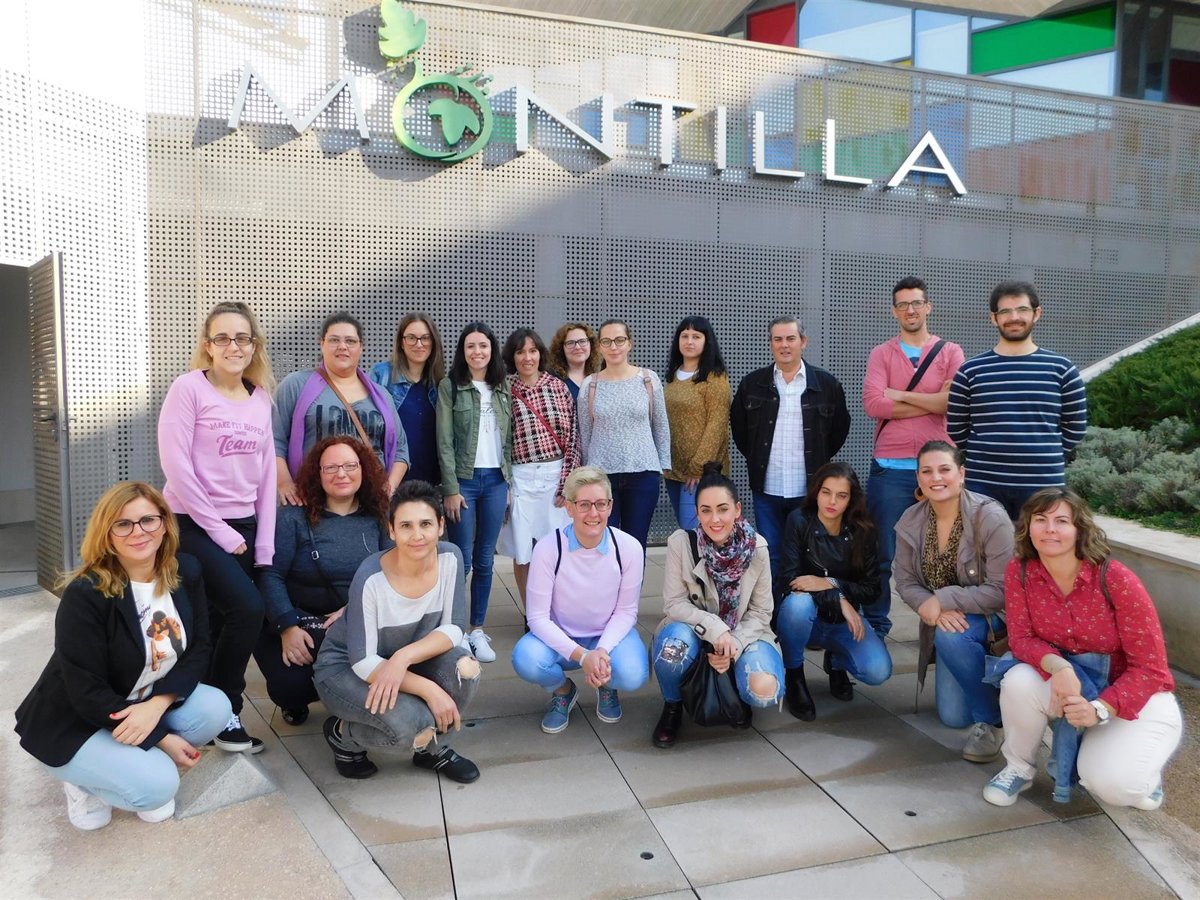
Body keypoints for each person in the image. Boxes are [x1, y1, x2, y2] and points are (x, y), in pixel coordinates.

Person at [15, 482, 231, 830]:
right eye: (123, 524)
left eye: (148, 520)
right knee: (157, 788)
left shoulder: (185, 571)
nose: (138, 532)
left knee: (216, 708)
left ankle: (126, 761)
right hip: (76, 718)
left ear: (165, 523)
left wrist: (157, 704)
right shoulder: (87, 594)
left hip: (142, 697)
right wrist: (161, 738)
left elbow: (200, 648)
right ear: (107, 533)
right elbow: (86, 691)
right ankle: (84, 782)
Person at [983, 489, 1182, 809]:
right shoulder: (1021, 571)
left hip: (1131, 693)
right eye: (1040, 519)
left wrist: (1100, 709)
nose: (1050, 529)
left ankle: (1146, 775)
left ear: (1080, 529)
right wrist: (1059, 667)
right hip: (1073, 684)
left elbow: (1150, 669)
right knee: (1018, 679)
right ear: (1028, 528)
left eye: (1062, 521)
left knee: (1115, 787)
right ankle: (1018, 768)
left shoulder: (1115, 578)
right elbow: (1021, 639)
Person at [157, 301, 276, 754]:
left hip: (243, 526)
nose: (233, 346)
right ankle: (227, 709)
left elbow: (267, 475)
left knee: (221, 618)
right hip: (191, 523)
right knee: (248, 608)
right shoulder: (188, 388)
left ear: (253, 346)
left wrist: (263, 543)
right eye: (222, 338)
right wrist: (221, 531)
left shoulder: (260, 398)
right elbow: (176, 466)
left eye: (242, 338)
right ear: (208, 346)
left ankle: (201, 711)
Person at [313, 480, 481, 782]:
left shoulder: (451, 557)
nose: (417, 535)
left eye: (426, 524)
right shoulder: (370, 577)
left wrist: (403, 658)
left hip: (405, 658)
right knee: (413, 724)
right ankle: (343, 735)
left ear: (441, 526)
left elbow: (455, 626)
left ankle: (431, 750)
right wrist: (430, 690)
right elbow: (364, 661)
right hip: (348, 668)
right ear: (391, 531)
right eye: (406, 526)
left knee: (465, 670)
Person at [255, 437, 392, 727]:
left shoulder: (380, 517)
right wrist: (287, 627)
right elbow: (270, 574)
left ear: (364, 470)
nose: (341, 474)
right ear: (317, 473)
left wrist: (353, 609)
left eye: (350, 466)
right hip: (302, 620)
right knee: (291, 686)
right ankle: (303, 698)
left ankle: (344, 697)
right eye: (330, 467)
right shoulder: (293, 517)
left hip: (358, 619)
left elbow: (392, 575)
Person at [894, 441, 1014, 763]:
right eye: (927, 471)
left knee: (950, 636)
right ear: (918, 478)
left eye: (944, 469)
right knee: (953, 717)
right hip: (950, 620)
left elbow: (1003, 589)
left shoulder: (990, 517)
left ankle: (993, 722)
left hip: (994, 616)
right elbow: (904, 580)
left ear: (961, 474)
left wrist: (943, 599)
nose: (936, 478)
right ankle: (989, 684)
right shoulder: (911, 519)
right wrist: (930, 605)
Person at [651, 462, 783, 748]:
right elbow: (674, 604)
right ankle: (672, 705)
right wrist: (715, 630)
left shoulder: (758, 548)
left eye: (723, 509)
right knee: (671, 651)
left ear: (737, 509)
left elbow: (761, 612)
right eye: (706, 510)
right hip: (694, 631)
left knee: (763, 691)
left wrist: (732, 644)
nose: (715, 519)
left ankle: (733, 685)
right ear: (697, 513)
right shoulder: (681, 543)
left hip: (744, 634)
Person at [511, 466, 649, 734]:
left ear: (610, 506)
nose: (593, 513)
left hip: (607, 638)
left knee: (633, 674)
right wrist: (583, 656)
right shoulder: (548, 548)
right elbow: (537, 618)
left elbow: (626, 612)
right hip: (561, 636)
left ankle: (606, 683)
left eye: (600, 504)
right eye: (584, 504)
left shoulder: (629, 548)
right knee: (525, 658)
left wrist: (601, 652)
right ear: (569, 507)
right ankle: (562, 690)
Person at [862, 277, 964, 637]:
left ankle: (942, 631)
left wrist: (900, 395)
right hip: (890, 470)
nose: (911, 310)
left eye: (917, 303)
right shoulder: (881, 354)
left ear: (928, 307)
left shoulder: (950, 352)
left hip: (939, 471)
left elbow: (953, 402)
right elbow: (874, 404)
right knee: (881, 555)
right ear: (894, 311)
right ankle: (876, 627)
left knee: (945, 554)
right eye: (903, 304)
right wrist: (932, 401)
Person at [730, 316, 850, 600]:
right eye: (778, 339)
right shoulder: (752, 384)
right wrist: (758, 457)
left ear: (803, 342)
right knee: (771, 554)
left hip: (809, 490)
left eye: (790, 338)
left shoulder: (826, 384)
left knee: (809, 555)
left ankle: (804, 612)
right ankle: (774, 615)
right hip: (767, 488)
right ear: (771, 343)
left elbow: (838, 432)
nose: (784, 345)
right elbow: (740, 431)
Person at [947, 281, 1088, 519]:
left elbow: (1075, 428)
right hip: (984, 484)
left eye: (1022, 309)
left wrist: (1043, 454)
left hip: (1043, 486)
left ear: (1037, 313)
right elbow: (956, 428)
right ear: (994, 318)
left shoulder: (1062, 370)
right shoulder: (970, 371)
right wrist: (986, 453)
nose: (1014, 317)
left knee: (1040, 544)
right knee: (982, 543)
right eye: (1005, 311)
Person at [776, 463, 893, 720]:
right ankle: (794, 675)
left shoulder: (863, 530)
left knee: (878, 671)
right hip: (807, 619)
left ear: (851, 499)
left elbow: (872, 589)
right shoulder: (799, 520)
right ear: (816, 491)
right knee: (797, 604)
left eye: (841, 495)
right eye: (826, 492)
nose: (832, 502)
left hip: (843, 623)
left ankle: (836, 661)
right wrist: (838, 597)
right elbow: (789, 579)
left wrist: (830, 583)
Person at [274, 311, 410, 506]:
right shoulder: (296, 385)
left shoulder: (381, 395)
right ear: (322, 343)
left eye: (350, 341)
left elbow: (401, 449)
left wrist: (389, 487)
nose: (342, 346)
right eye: (334, 340)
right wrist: (284, 482)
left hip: (369, 503)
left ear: (361, 347)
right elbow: (274, 440)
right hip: (312, 500)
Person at [437, 321, 511, 663]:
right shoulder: (451, 386)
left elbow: (508, 439)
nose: (477, 351)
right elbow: (444, 442)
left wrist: (508, 482)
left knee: (485, 560)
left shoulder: (502, 386)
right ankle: (454, 631)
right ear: (462, 351)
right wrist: (451, 488)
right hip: (464, 481)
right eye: (471, 346)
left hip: (495, 481)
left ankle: (477, 629)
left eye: (483, 345)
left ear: (492, 350)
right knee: (461, 560)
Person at [498, 328, 579, 604]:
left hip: (555, 476)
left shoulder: (558, 386)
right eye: (520, 352)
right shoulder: (504, 388)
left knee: (559, 549)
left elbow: (573, 437)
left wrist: (568, 482)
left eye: (532, 351)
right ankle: (531, 613)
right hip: (520, 477)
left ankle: (558, 608)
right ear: (512, 356)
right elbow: (499, 439)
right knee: (524, 552)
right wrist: (505, 485)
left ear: (540, 354)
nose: (527, 357)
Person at [577, 320, 671, 550]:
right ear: (599, 347)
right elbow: (585, 433)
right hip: (601, 477)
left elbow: (660, 425)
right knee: (604, 543)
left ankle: (633, 577)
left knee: (635, 543)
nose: (614, 346)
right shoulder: (590, 385)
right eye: (607, 341)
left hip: (643, 473)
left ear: (629, 343)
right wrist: (587, 473)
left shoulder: (648, 379)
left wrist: (663, 464)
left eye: (619, 340)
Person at [663, 316, 731, 531]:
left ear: (706, 341)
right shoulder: (673, 377)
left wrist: (698, 467)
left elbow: (717, 425)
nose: (689, 341)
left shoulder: (715, 378)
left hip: (700, 473)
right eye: (684, 336)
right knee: (687, 532)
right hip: (674, 470)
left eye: (696, 336)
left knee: (695, 531)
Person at [370, 312, 445, 486]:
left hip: (431, 483)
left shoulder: (439, 383)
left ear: (433, 343)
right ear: (401, 343)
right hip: (390, 481)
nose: (419, 344)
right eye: (411, 338)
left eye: (425, 338)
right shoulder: (382, 374)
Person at [547, 322, 601, 401]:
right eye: (570, 343)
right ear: (561, 349)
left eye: (582, 341)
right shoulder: (551, 380)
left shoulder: (599, 380)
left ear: (591, 345)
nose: (577, 347)